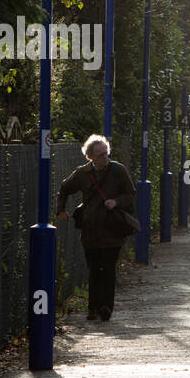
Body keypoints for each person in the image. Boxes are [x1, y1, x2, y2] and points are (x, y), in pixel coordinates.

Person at [56, 134, 136, 321]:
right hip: (90, 230)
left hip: (112, 229)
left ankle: (105, 308)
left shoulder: (118, 170)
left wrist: (116, 202)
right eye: (100, 155)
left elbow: (131, 194)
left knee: (108, 269)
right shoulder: (82, 173)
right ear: (90, 156)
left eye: (106, 153)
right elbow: (64, 188)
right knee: (94, 270)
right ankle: (93, 307)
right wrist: (60, 210)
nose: (104, 158)